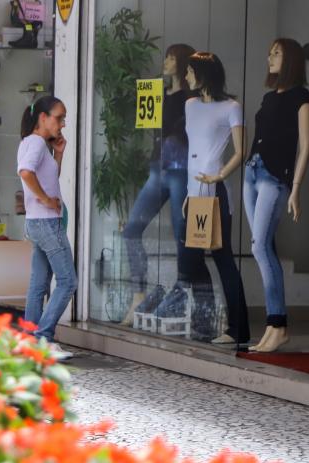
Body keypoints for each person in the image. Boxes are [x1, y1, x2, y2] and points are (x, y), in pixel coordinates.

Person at [243, 38, 309, 352]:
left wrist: (295, 188)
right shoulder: (269, 97)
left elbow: (305, 145)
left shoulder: (302, 96)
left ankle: (278, 324)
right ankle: (273, 326)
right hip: (252, 174)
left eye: (277, 52)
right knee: (262, 247)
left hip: (274, 179)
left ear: (292, 59)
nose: (269, 56)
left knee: (260, 247)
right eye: (269, 51)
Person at [179, 51, 250, 345]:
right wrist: (187, 193)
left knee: (223, 258)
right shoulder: (190, 105)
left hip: (215, 191)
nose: (186, 77)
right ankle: (207, 320)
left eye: (190, 71)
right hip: (194, 191)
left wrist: (220, 176)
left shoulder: (231, 108)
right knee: (190, 259)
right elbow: (193, 149)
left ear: (204, 73)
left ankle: (237, 329)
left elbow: (240, 150)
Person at [121, 43, 196, 324]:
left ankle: (184, 293)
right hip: (158, 166)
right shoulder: (158, 94)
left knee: (182, 234)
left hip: (180, 168)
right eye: (166, 57)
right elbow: (151, 128)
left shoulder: (192, 99)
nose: (166, 62)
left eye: (172, 57)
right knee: (131, 230)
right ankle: (138, 294)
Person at [18, 96, 76, 360]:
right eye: (59, 117)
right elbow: (26, 172)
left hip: (38, 222)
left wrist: (59, 155)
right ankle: (43, 337)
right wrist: (44, 199)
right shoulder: (36, 143)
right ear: (43, 117)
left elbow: (47, 177)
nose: (62, 124)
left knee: (39, 283)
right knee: (67, 281)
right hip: (45, 222)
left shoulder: (37, 144)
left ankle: (30, 339)